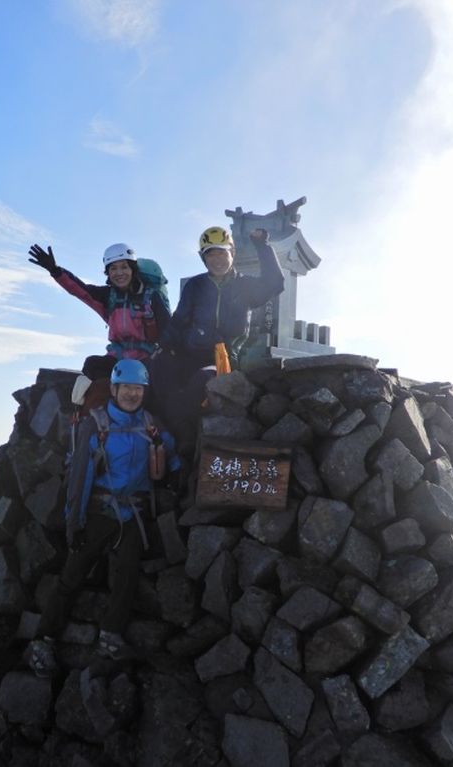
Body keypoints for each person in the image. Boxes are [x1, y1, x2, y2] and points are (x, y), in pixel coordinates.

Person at [27, 359, 180, 675]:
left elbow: (171, 452)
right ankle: (42, 640)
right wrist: (74, 522)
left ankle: (110, 636)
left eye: (138, 389)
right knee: (72, 576)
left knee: (126, 577)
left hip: (132, 513)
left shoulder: (150, 422)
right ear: (114, 389)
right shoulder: (95, 424)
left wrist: (166, 447)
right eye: (126, 388)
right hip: (98, 511)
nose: (132, 394)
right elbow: (81, 477)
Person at [153, 225, 285, 451]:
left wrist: (262, 246)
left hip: (224, 358)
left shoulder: (244, 285)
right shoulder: (196, 285)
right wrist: (162, 346)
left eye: (222, 252)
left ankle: (184, 439)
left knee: (202, 379)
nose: (217, 259)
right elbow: (180, 319)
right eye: (211, 254)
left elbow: (275, 284)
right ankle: (162, 431)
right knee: (158, 367)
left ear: (232, 253)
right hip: (191, 353)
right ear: (203, 258)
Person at [28, 242, 171, 398]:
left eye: (124, 267)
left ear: (132, 269)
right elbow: (80, 289)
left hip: (146, 359)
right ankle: (79, 417)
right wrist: (55, 271)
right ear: (108, 273)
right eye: (113, 268)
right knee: (92, 365)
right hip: (116, 359)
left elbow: (168, 330)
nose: (119, 273)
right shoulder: (107, 296)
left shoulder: (151, 297)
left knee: (160, 388)